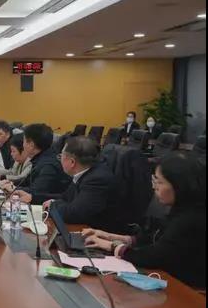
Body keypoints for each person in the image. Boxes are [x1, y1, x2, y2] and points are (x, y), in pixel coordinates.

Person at [84, 153, 206, 289]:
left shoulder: (192, 218)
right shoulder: (182, 208)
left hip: (188, 291)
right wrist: (110, 237)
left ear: (179, 186)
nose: (154, 187)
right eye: (154, 180)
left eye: (159, 182)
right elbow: (155, 238)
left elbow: (154, 256)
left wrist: (112, 246)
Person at [41, 136, 126, 233]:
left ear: (72, 162)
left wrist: (52, 205)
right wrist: (40, 199)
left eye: (61, 157)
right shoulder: (84, 171)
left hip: (102, 235)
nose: (60, 160)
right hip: (85, 227)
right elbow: (66, 198)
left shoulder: (97, 180)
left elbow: (74, 214)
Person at [15, 123, 71, 204]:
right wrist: (11, 184)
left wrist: (14, 188)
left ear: (31, 145)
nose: (22, 145)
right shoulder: (43, 157)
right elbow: (27, 182)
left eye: (24, 141)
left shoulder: (48, 165)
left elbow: (36, 192)